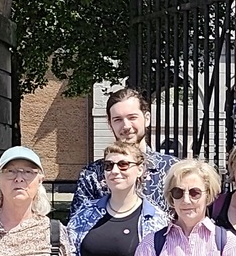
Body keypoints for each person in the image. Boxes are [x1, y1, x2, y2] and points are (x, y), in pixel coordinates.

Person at [71, 86, 175, 215]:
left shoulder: (171, 169)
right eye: (118, 120)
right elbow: (78, 223)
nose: (126, 126)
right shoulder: (92, 175)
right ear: (110, 124)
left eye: (132, 118)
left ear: (147, 119)